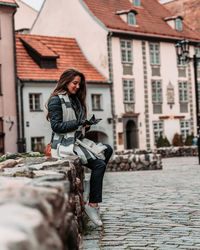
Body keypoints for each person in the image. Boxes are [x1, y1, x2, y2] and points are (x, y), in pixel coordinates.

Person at [46, 68, 113, 226]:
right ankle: (93, 205)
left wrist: (87, 125)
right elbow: (56, 126)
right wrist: (79, 123)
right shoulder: (56, 100)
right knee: (99, 164)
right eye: (75, 83)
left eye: (79, 84)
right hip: (64, 143)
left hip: (77, 140)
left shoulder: (75, 99)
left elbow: (77, 125)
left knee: (107, 149)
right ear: (66, 81)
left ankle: (89, 187)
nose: (77, 86)